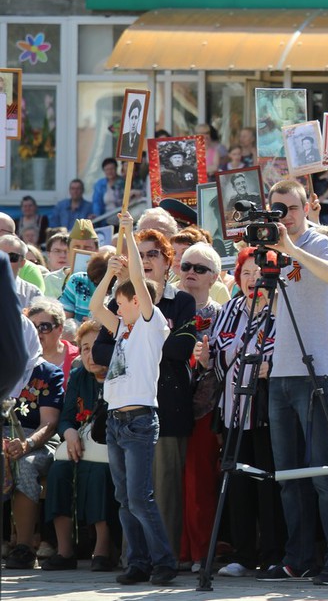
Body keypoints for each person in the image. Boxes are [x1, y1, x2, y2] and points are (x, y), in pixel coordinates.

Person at [256, 179, 328, 585]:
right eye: (278, 209)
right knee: (288, 476)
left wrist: (291, 249)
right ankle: (297, 558)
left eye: (292, 208)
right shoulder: (271, 249)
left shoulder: (318, 242)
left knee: (324, 473)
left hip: (319, 372)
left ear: (307, 207)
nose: (286, 217)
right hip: (281, 372)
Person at [92, 228, 196, 559]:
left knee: (148, 496)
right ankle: (135, 560)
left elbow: (138, 279)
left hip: (147, 415)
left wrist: (129, 233)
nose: (117, 309)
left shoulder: (155, 321)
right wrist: (110, 275)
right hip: (117, 418)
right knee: (126, 497)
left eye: (121, 304)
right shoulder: (123, 323)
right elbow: (96, 315)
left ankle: (163, 559)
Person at [197, 248, 286, 578]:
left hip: (267, 410)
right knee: (237, 482)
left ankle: (275, 553)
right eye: (246, 273)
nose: (252, 279)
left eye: (259, 273)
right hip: (233, 408)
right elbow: (216, 353)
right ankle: (243, 554)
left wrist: (272, 366)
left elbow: (289, 351)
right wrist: (205, 356)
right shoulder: (231, 308)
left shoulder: (281, 308)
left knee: (269, 482)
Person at [41, 320, 117, 572]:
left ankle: (102, 550)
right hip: (80, 444)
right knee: (58, 471)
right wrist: (69, 432)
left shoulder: (120, 376)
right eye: (84, 348)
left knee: (97, 472)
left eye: (97, 347)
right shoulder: (78, 376)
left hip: (110, 448)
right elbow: (66, 418)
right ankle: (64, 550)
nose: (90, 354)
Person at [1, 315, 64, 571]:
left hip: (37, 439)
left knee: (25, 465)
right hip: (3, 438)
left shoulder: (47, 373)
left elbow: (49, 424)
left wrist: (26, 444)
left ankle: (24, 548)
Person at [174, 243, 223, 572]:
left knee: (198, 484)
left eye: (200, 269)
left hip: (205, 408)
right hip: (166, 405)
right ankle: (175, 549)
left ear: (214, 277)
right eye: (186, 266)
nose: (191, 272)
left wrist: (209, 361)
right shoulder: (165, 306)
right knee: (168, 483)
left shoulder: (220, 314)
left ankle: (199, 553)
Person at [27, 297, 79, 385]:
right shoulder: (22, 357)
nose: (37, 332)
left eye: (44, 327)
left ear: (60, 329)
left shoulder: (78, 358)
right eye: (32, 326)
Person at [2, 234, 44, 308]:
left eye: (12, 257)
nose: (5, 261)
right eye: (1, 255)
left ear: (22, 263)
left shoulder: (33, 294)